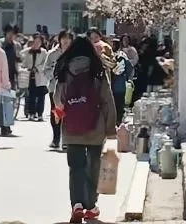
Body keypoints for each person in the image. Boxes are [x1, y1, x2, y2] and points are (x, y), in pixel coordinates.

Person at [54, 36, 117, 223]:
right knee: (93, 166)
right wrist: (110, 127)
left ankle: (77, 205)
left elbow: (59, 99)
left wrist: (60, 116)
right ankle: (90, 205)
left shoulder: (65, 70)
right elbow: (107, 101)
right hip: (95, 128)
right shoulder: (98, 71)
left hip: (72, 128)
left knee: (75, 168)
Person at [44, 29, 73, 151]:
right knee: (56, 112)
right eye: (63, 38)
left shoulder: (74, 53)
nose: (66, 41)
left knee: (69, 114)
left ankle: (66, 140)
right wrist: (55, 75)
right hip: (55, 87)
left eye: (68, 39)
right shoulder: (52, 54)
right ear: (59, 40)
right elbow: (46, 69)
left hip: (71, 87)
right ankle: (56, 138)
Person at [131, 36, 167, 106]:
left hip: (146, 75)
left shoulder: (148, 52)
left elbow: (148, 64)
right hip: (147, 74)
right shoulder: (150, 52)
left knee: (145, 91)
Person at [21, 33, 48, 121]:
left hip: (40, 76)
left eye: (39, 42)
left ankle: (40, 114)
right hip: (30, 76)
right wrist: (27, 69)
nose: (36, 44)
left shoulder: (44, 52)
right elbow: (22, 63)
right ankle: (31, 113)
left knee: (41, 96)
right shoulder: (26, 51)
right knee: (31, 95)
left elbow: (45, 63)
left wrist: (37, 68)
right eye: (35, 41)